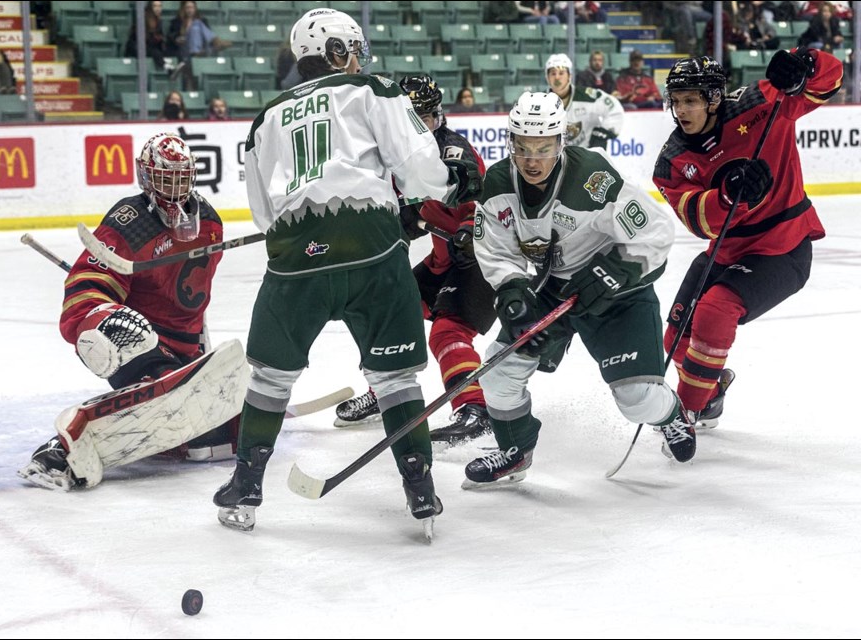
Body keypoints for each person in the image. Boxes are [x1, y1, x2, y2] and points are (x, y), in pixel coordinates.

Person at [213, 8, 481, 535]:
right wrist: (452, 182)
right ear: (337, 52)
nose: (358, 58)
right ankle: (420, 487)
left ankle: (245, 482)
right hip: (372, 252)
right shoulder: (373, 90)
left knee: (271, 376)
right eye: (353, 49)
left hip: (294, 261)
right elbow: (419, 167)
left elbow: (264, 213)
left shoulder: (265, 116)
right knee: (396, 377)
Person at [461, 91, 696, 488]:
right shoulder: (499, 182)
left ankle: (672, 415)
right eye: (523, 148)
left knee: (638, 400)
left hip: (619, 293)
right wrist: (514, 296)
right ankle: (515, 450)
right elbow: (496, 251)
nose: (532, 160)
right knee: (498, 374)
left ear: (560, 142)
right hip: (555, 290)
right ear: (510, 143)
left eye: (543, 148)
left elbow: (655, 231)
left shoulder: (592, 176)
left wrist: (611, 273)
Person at [18, 133, 239, 491]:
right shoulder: (130, 221)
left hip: (184, 349)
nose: (175, 188)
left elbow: (193, 303)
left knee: (220, 430)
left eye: (182, 178)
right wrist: (104, 317)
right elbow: (87, 284)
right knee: (166, 398)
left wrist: (201, 353)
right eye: (166, 178)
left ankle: (172, 406)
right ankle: (59, 451)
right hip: (142, 341)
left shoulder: (210, 224)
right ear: (146, 176)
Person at [652, 50, 841, 432]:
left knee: (714, 311)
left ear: (714, 98)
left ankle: (684, 415)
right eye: (676, 101)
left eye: (690, 100)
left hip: (782, 246)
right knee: (676, 335)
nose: (682, 110)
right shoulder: (672, 160)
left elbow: (829, 82)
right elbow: (696, 219)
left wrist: (806, 63)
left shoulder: (763, 104)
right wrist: (725, 197)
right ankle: (710, 395)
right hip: (725, 248)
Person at [335, 74, 493, 447]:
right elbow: (406, 218)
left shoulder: (451, 151)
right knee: (385, 309)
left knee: (447, 332)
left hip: (484, 260)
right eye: (412, 118)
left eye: (427, 117)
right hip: (444, 261)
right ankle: (385, 390)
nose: (421, 127)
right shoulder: (393, 157)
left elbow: (485, 198)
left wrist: (470, 228)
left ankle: (475, 409)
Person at [544, 53, 624, 149]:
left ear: (569, 76)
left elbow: (614, 108)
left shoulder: (588, 96)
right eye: (553, 73)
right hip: (554, 159)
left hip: (586, 157)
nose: (557, 77)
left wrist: (604, 133)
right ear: (547, 77)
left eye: (561, 73)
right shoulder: (539, 102)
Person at [125, 0, 169, 70]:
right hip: (136, 47)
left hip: (150, 46)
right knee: (156, 52)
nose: (158, 8)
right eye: (155, 6)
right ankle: (167, 68)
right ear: (150, 7)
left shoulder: (159, 22)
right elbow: (138, 37)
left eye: (159, 6)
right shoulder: (142, 19)